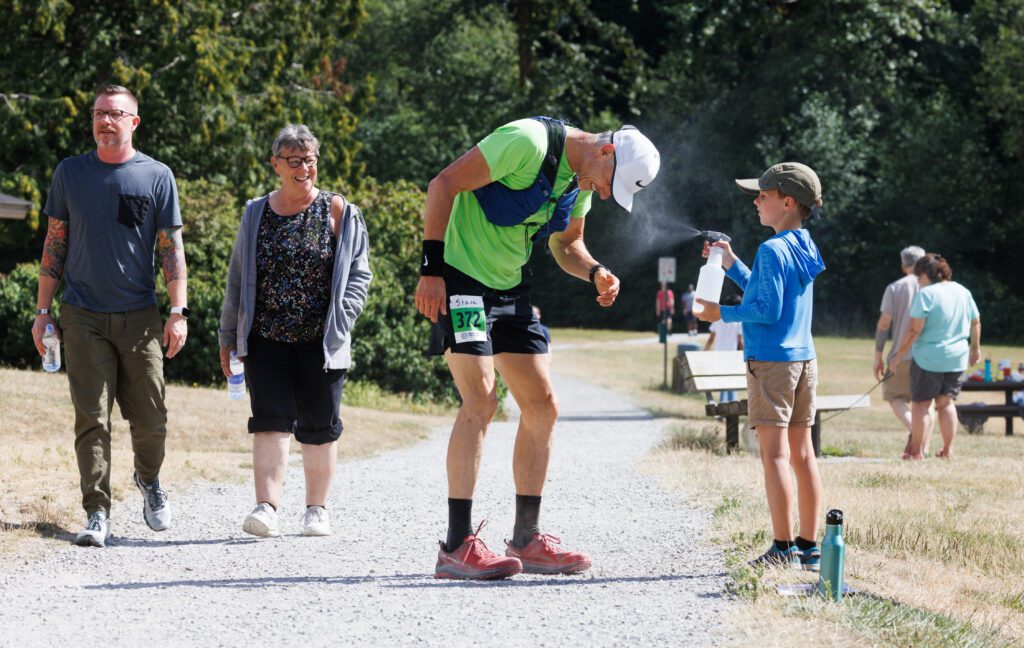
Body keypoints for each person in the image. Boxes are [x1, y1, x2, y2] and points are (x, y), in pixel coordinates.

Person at [414, 117, 660, 579]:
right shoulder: (526, 141)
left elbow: (568, 244)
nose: (604, 195)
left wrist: (594, 270)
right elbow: (442, 184)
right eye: (610, 185)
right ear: (606, 152)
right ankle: (456, 545)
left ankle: (526, 539)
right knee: (481, 399)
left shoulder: (582, 180)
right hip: (461, 280)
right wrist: (431, 270)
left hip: (510, 289)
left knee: (543, 404)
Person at [31, 85, 187, 547]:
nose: (105, 121)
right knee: (92, 419)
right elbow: (54, 242)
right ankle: (97, 511)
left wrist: (178, 311)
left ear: (133, 122)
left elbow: (171, 250)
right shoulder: (71, 173)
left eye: (115, 114)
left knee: (152, 417)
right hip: (81, 315)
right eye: (99, 113)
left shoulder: (156, 176)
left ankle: (149, 480)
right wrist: (43, 312)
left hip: (140, 315)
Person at [218, 125, 372, 538]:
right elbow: (236, 279)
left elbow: (360, 272)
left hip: (321, 341)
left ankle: (316, 510)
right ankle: (266, 507)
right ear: (276, 164)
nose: (304, 168)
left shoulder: (338, 210)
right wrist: (228, 335)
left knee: (320, 426)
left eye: (310, 160)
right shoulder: (255, 213)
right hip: (265, 337)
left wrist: (343, 318)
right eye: (294, 160)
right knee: (269, 422)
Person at [694, 162, 826, 572]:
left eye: (763, 195)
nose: (756, 201)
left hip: (771, 363)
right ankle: (807, 544)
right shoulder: (804, 243)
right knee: (804, 455)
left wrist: (720, 312)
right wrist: (732, 262)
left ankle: (782, 546)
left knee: (774, 457)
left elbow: (763, 309)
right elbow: (767, 292)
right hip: (804, 360)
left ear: (787, 202)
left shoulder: (772, 249)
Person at [890, 254, 980, 460]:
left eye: (918, 276)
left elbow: (915, 329)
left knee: (921, 404)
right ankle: (948, 450)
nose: (917, 281)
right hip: (957, 357)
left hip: (928, 358)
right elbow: (976, 322)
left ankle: (917, 452)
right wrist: (975, 348)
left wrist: (898, 354)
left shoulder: (926, 294)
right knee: (946, 404)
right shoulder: (962, 291)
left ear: (927, 274)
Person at [874, 245, 928, 459]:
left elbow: (884, 324)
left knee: (894, 395)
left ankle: (916, 434)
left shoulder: (895, 288)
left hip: (901, 354)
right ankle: (921, 448)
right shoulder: (932, 288)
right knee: (924, 404)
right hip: (927, 355)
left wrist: (878, 354)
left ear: (903, 265)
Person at [703, 294, 744, 402]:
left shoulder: (718, 319)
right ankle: (732, 403)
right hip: (731, 356)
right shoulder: (738, 321)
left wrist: (704, 352)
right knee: (732, 381)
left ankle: (723, 403)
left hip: (718, 354)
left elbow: (711, 339)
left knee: (723, 382)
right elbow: (740, 342)